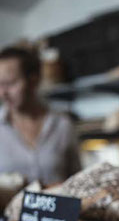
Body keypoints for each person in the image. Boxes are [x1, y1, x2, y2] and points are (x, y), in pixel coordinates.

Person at [0, 46, 81, 186]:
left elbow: (78, 181)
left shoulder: (63, 125)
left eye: (10, 84)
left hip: (56, 207)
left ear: (33, 81)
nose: (3, 93)